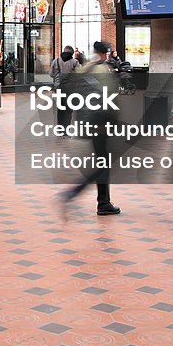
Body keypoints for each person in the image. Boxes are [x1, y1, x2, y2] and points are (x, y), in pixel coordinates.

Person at [56, 41, 121, 219]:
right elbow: (110, 97)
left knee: (102, 163)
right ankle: (79, 195)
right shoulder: (102, 69)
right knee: (102, 165)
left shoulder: (85, 67)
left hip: (87, 121)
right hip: (101, 122)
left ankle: (103, 202)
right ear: (105, 53)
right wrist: (116, 120)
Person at [51, 46, 79, 127]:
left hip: (58, 87)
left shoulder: (56, 61)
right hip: (71, 88)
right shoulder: (75, 62)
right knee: (69, 109)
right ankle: (66, 130)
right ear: (72, 53)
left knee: (60, 108)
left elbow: (51, 74)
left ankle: (60, 129)